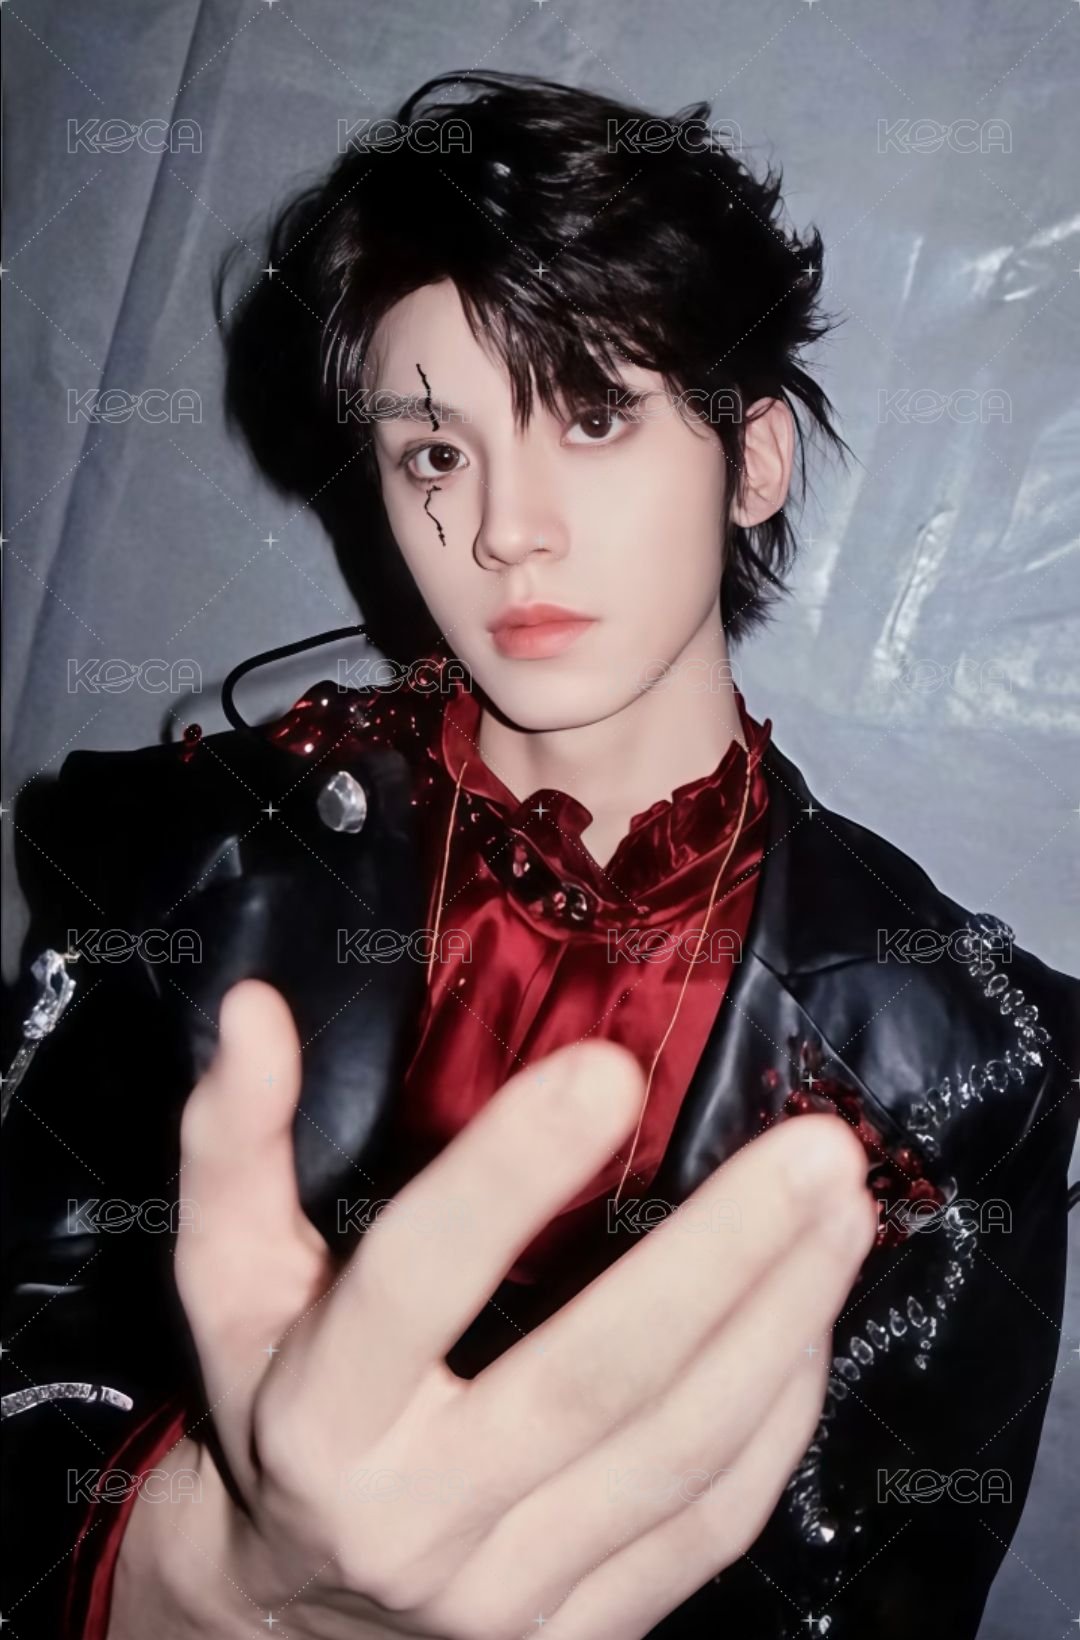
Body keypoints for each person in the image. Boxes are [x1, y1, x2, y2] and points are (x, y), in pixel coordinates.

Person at [2, 70, 1077, 1640]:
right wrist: (183, 1578)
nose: (508, 528)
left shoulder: (967, 1055)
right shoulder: (200, 861)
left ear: (753, 458)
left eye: (593, 413)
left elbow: (881, 1593)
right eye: (434, 454)